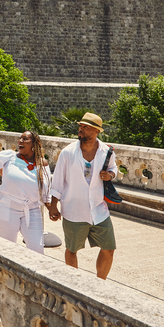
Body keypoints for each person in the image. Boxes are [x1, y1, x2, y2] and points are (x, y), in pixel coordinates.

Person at [48, 113, 117, 279]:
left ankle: (100, 283)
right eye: (80, 126)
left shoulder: (107, 152)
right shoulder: (67, 153)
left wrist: (110, 175)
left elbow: (114, 168)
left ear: (96, 131)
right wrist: (52, 206)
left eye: (85, 127)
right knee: (72, 249)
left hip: (99, 210)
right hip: (74, 210)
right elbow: (57, 181)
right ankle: (75, 284)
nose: (80, 129)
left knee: (109, 248)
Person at [0, 130, 51, 254]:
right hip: (6, 207)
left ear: (34, 144)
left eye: (25, 139)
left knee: (37, 249)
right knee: (7, 248)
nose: (20, 141)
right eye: (20, 138)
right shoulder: (10, 156)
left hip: (32, 208)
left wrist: (51, 209)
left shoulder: (43, 164)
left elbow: (46, 191)